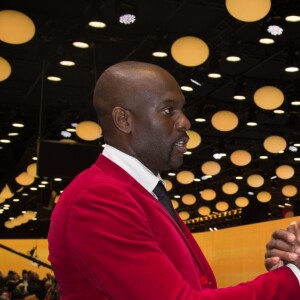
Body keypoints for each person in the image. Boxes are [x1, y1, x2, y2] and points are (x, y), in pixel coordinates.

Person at [48, 61, 300, 299]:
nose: (185, 121)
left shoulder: (138, 192)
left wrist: (285, 270)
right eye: (168, 110)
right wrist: (292, 278)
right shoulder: (98, 198)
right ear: (123, 120)